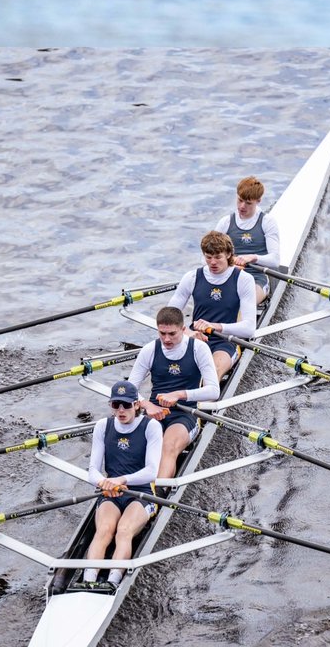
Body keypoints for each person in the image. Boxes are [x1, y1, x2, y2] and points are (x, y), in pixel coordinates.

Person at [78, 380, 162, 591]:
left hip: (141, 493)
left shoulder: (151, 426)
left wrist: (122, 480)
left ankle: (112, 583)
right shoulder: (102, 426)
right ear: (111, 406)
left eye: (126, 405)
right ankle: (88, 581)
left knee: (123, 530)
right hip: (112, 493)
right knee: (104, 530)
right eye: (116, 405)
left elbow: (152, 471)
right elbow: (93, 471)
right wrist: (103, 482)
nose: (121, 410)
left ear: (137, 405)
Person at [127, 305, 220, 481]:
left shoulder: (198, 348)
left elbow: (214, 391)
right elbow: (131, 389)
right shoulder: (149, 350)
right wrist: (147, 405)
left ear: (184, 330)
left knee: (168, 446)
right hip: (155, 411)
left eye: (172, 334)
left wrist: (179, 394)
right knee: (135, 449)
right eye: (162, 333)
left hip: (185, 414)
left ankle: (156, 497)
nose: (166, 339)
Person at [170, 230, 257, 381]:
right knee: (171, 373)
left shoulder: (243, 279)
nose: (213, 263)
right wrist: (186, 332)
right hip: (196, 337)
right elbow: (169, 317)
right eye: (208, 257)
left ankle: (205, 400)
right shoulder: (191, 277)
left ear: (229, 254)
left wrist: (215, 326)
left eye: (218, 257)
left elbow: (249, 329)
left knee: (211, 375)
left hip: (226, 341)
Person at [215, 175, 283, 303]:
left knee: (243, 301)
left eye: (248, 203)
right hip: (229, 275)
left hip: (257, 277)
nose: (242, 206)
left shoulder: (267, 222)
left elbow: (275, 260)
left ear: (258, 201)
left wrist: (253, 257)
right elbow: (206, 258)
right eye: (240, 200)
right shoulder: (225, 223)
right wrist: (228, 263)